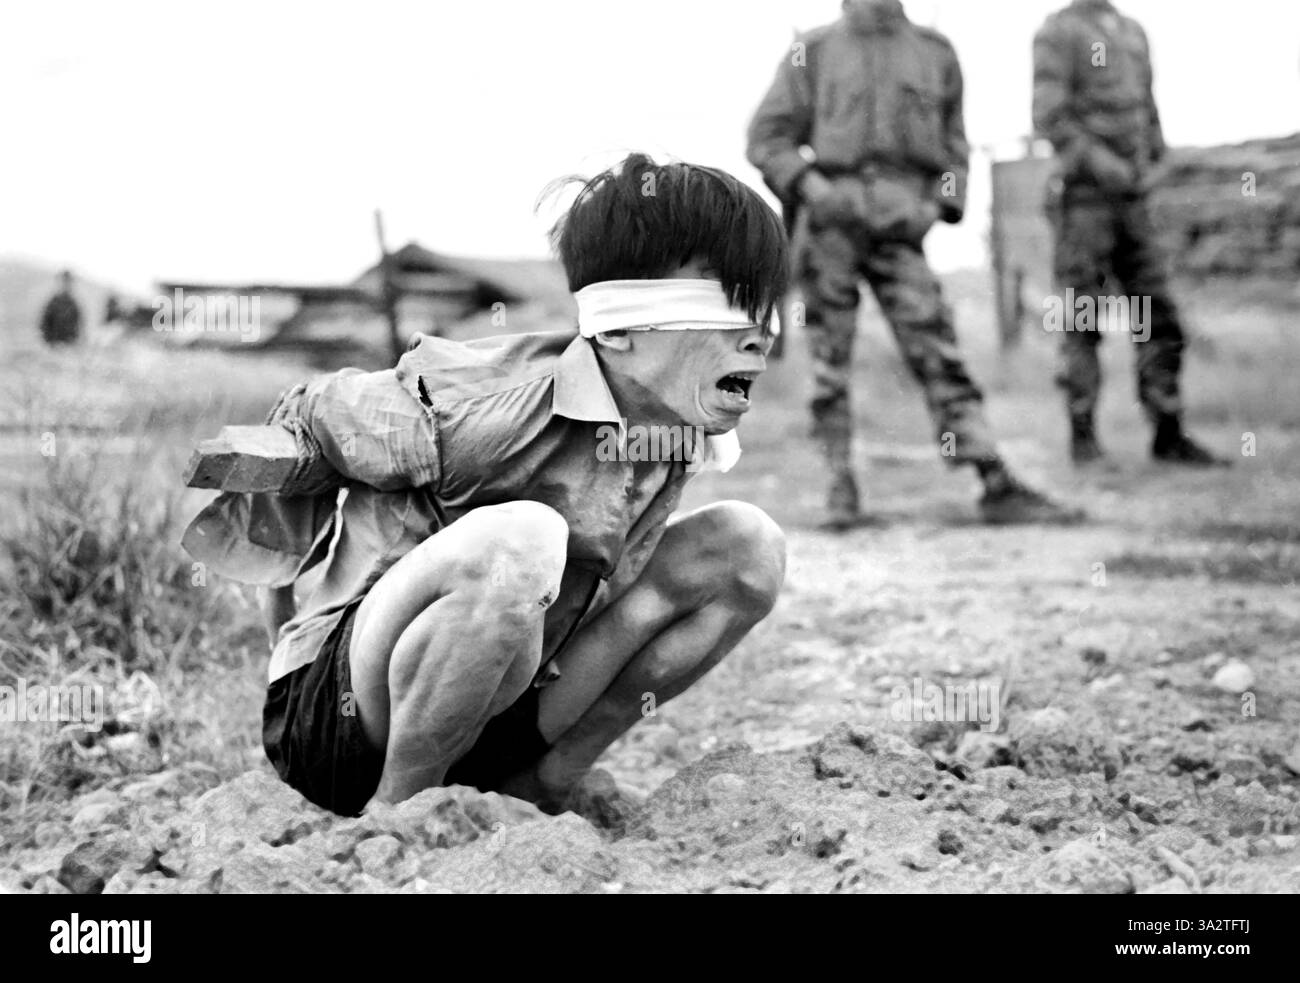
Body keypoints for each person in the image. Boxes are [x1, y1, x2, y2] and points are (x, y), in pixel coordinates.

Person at [182, 154, 788, 818]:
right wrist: (286, 622)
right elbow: (317, 409)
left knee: (747, 546)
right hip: (339, 725)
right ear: (620, 324)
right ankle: (400, 814)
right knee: (523, 540)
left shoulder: (678, 427)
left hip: (495, 712)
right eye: (723, 303)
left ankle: (548, 777)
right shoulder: (479, 404)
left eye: (760, 306)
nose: (759, 337)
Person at [747, 0, 1081, 529]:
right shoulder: (812, 51)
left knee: (938, 350)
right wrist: (812, 188)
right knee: (829, 363)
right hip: (832, 225)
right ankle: (838, 487)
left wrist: (937, 208)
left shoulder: (934, 54)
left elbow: (954, 149)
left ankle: (992, 480)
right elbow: (767, 138)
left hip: (903, 227)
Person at [1034, 0, 1227, 467]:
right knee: (1082, 319)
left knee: (1156, 315)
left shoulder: (1132, 31)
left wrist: (1153, 162)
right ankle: (1083, 440)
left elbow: (1148, 110)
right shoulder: (1059, 32)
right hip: (1084, 204)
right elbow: (1051, 118)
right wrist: (1104, 166)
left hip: (1134, 203)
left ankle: (1168, 433)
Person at [39, 270, 82, 346]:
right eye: (65, 281)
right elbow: (44, 324)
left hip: (70, 345)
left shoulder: (74, 304)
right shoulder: (53, 302)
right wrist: (50, 342)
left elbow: (79, 326)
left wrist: (75, 341)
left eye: (69, 282)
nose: (67, 285)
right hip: (54, 345)